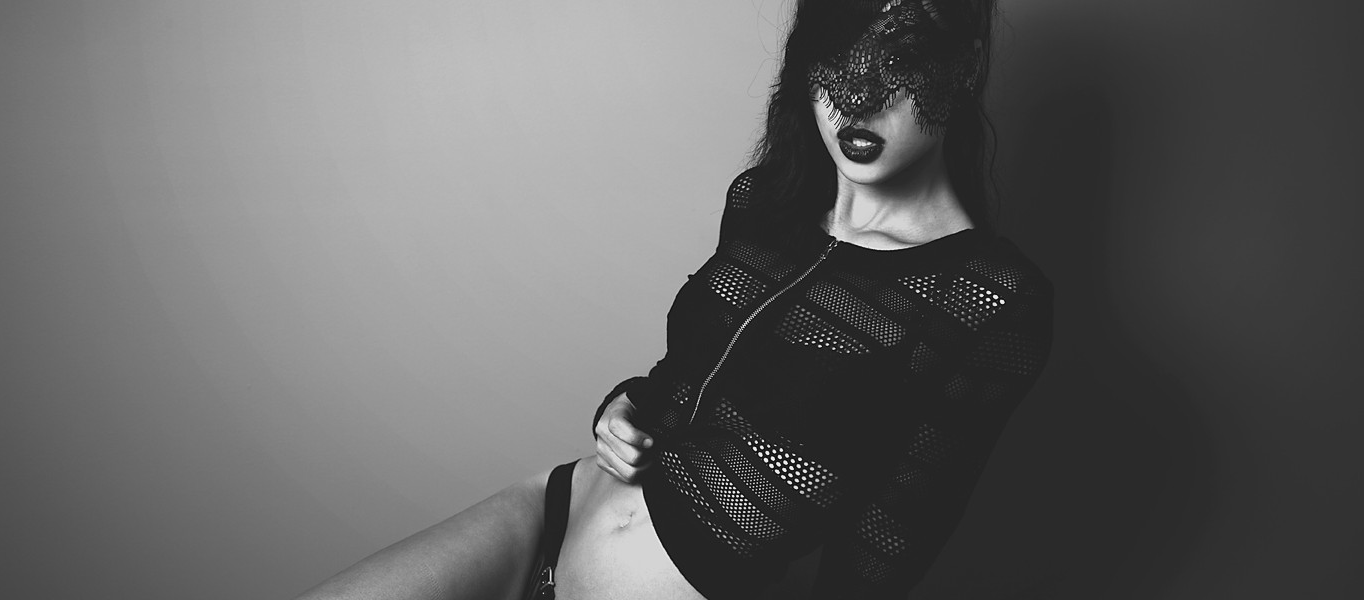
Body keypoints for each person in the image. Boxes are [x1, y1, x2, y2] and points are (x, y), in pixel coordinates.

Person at [296, 1, 1052, 598]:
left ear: (964, 64)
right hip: (557, 510)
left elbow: (898, 526)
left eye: (900, 60)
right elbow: (688, 378)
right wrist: (622, 408)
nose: (858, 98)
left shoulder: (987, 297)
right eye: (838, 56)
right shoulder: (767, 204)